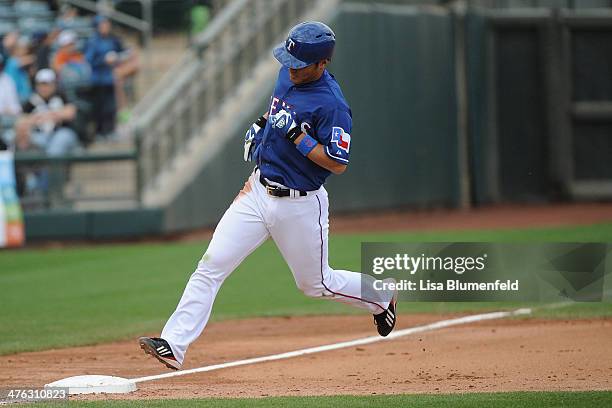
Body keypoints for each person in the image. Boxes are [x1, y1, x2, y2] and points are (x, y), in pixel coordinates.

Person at [138, 22, 398, 371]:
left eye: (299, 63)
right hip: (257, 191)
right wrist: (261, 125)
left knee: (316, 284)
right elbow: (276, 110)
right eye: (288, 60)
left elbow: (337, 163)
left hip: (300, 203)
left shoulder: (332, 105)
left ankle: (382, 296)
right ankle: (173, 344)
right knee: (211, 265)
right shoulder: (288, 75)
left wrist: (297, 137)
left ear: (322, 64)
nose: (290, 67)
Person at [15, 69, 79, 156]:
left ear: (54, 84)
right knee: (31, 140)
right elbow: (21, 121)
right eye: (41, 84)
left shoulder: (61, 96)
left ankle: (53, 168)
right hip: (39, 134)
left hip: (60, 132)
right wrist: (35, 119)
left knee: (59, 142)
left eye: (47, 84)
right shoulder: (31, 101)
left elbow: (71, 112)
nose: (44, 88)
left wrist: (51, 115)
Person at [85, 15, 124, 138]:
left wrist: (119, 58)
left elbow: (120, 53)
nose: (106, 27)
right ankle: (100, 132)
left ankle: (110, 130)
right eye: (103, 24)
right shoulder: (92, 41)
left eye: (107, 24)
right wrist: (104, 60)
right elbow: (89, 60)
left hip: (109, 78)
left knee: (111, 106)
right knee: (99, 107)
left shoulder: (112, 40)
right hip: (97, 79)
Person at [4, 36, 35, 104]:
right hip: (16, 96)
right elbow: (30, 59)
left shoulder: (23, 66)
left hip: (25, 96)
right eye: (23, 49)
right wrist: (35, 56)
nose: (25, 51)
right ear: (16, 50)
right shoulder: (11, 61)